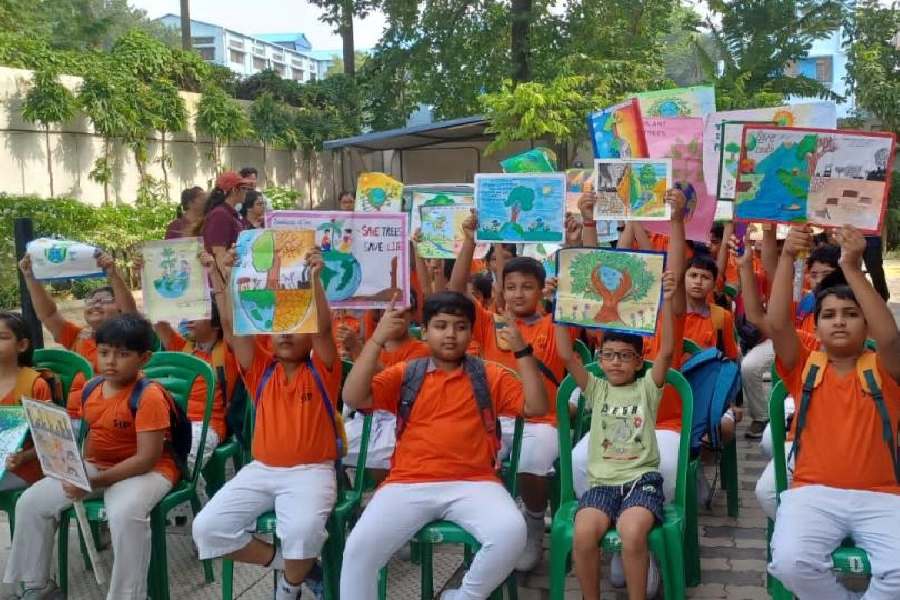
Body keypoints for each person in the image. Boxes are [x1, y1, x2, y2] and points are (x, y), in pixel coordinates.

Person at [339, 291, 548, 600]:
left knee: (510, 533)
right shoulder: (407, 373)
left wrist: (522, 351)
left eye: (460, 326)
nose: (450, 334)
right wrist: (375, 340)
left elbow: (537, 406)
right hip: (407, 483)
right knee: (358, 550)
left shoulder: (488, 375)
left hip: (475, 483)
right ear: (424, 332)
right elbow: (353, 398)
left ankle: (462, 597)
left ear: (470, 332)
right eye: (440, 325)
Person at [191, 245, 338, 600]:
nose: (286, 334)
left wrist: (314, 281)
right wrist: (222, 277)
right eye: (279, 329)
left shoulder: (323, 370)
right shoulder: (260, 369)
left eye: (295, 327)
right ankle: (295, 567)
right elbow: (231, 327)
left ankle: (289, 586)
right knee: (207, 529)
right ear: (268, 337)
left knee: (302, 530)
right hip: (261, 471)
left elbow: (322, 328)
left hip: (312, 471)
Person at [3, 314, 179, 600]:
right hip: (96, 467)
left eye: (122, 354)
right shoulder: (90, 389)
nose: (110, 361)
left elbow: (146, 459)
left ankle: (129, 595)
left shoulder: (150, 396)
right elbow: (71, 436)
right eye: (104, 352)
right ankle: (37, 586)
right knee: (31, 502)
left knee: (124, 513)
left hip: (148, 471)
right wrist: (27, 457)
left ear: (144, 358)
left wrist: (92, 481)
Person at [766, 224, 900, 599]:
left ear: (866, 322)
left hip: (882, 495)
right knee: (790, 563)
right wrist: (788, 257)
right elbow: (777, 324)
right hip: (813, 493)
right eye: (829, 315)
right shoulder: (805, 366)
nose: (839, 321)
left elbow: (890, 336)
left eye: (850, 314)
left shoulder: (884, 368)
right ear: (816, 326)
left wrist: (854, 269)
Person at [449, 220, 566, 572]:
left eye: (527, 287)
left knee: (531, 460)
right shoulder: (488, 322)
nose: (518, 294)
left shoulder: (555, 323)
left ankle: (532, 522)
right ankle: (492, 527)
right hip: (491, 419)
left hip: (540, 420)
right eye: (511, 286)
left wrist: (579, 237)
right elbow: (454, 296)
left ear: (542, 290)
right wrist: (469, 241)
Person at [559, 270, 676, 600]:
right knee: (583, 534)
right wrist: (559, 305)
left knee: (632, 531)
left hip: (642, 482)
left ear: (639, 362)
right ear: (599, 359)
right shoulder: (595, 389)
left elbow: (666, 351)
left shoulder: (647, 389)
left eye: (625, 356)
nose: (616, 363)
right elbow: (567, 355)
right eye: (608, 355)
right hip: (602, 484)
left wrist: (665, 300)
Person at [17, 252, 137, 427]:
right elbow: (48, 314)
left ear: (119, 307)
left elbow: (130, 314)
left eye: (104, 300)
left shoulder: (131, 337)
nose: (95, 304)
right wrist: (30, 277)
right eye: (91, 301)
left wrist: (113, 274)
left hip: (113, 420)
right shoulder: (77, 336)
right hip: (74, 420)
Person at [154, 299, 236, 505]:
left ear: (216, 324)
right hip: (173, 421)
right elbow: (158, 322)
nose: (189, 319)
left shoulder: (230, 352)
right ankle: (194, 491)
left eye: (198, 313)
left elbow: (231, 323)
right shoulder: (182, 347)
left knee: (180, 457)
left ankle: (186, 493)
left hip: (207, 425)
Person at [339, 295, 430, 480]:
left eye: (401, 312)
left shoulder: (422, 351)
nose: (394, 317)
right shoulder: (373, 349)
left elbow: (395, 387)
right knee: (327, 446)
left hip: (398, 423)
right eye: (388, 312)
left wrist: (358, 349)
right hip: (363, 422)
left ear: (412, 314)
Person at [0, 312, 53, 492]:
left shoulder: (34, 385)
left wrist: (23, 457)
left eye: (2, 337)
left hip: (25, 468)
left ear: (22, 345)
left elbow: (49, 440)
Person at [200, 171, 253, 271]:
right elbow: (219, 254)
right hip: (224, 281)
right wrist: (225, 283)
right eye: (244, 188)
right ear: (234, 190)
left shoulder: (233, 213)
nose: (246, 191)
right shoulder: (220, 215)